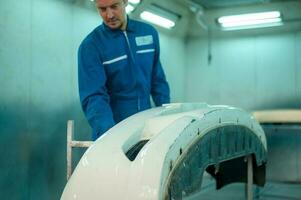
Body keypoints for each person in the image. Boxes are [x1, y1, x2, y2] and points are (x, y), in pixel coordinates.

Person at [78, 0, 170, 140]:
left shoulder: (148, 33)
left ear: (125, 2)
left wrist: (167, 118)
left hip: (146, 128)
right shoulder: (91, 46)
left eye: (114, 6)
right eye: (102, 9)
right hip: (113, 129)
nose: (109, 15)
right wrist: (110, 136)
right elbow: (94, 97)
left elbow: (158, 82)